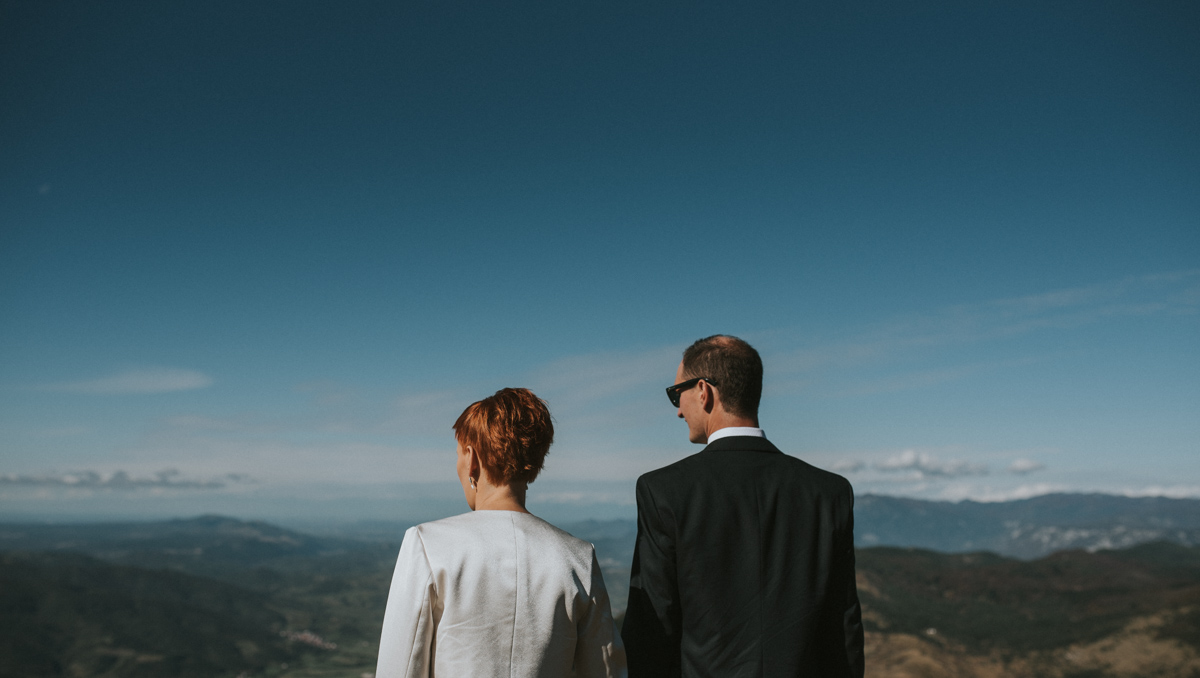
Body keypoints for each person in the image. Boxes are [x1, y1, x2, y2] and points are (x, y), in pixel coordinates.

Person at [621, 335, 864, 677]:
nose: (677, 410)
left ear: (704, 391)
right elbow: (843, 627)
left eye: (677, 394)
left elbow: (653, 628)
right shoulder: (830, 492)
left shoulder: (663, 489)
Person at [375, 387, 627, 678]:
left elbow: (401, 667)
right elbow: (606, 671)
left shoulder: (427, 544)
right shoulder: (579, 558)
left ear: (472, 459)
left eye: (458, 454)